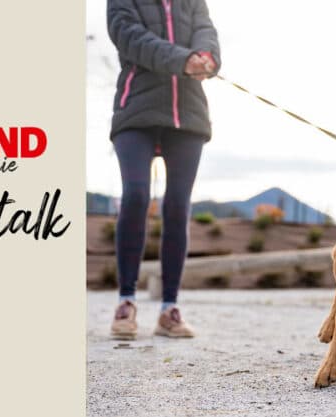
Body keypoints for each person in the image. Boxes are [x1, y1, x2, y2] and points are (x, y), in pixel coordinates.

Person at [106, 0, 221, 339]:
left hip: (188, 116)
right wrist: (182, 60)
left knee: (177, 206)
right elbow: (129, 37)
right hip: (136, 112)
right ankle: (126, 301)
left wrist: (206, 58)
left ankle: (169, 309)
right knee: (137, 195)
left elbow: (206, 31)